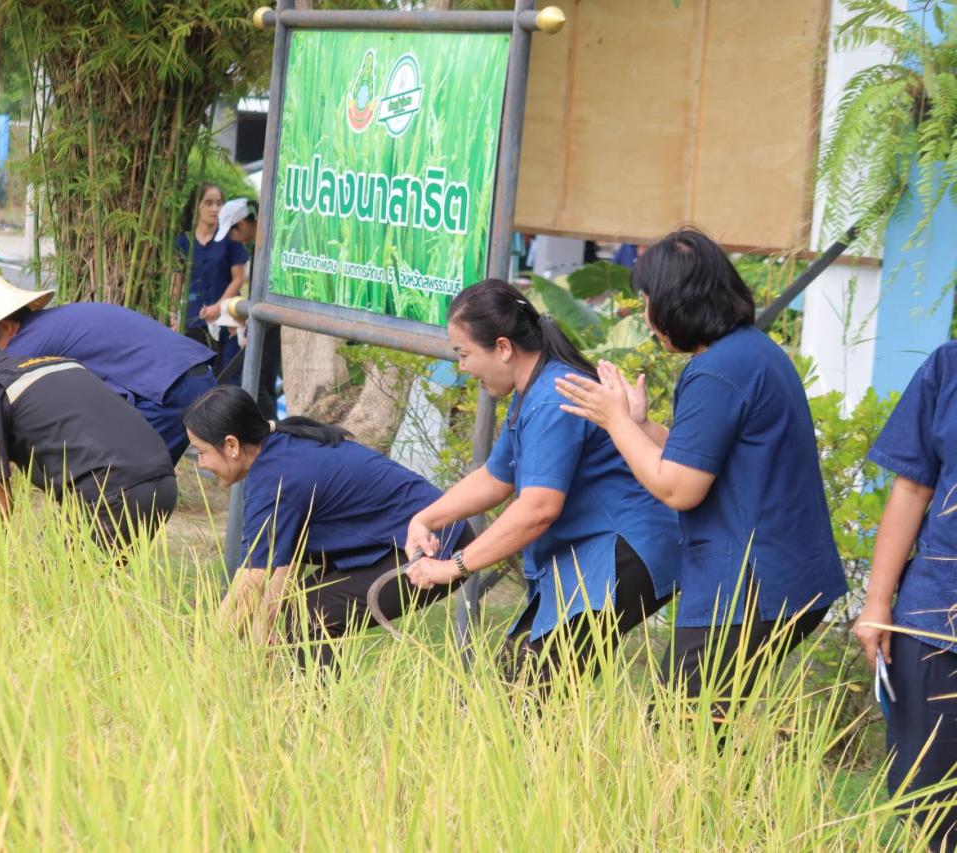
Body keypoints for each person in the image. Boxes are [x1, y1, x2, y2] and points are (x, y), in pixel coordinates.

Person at [556, 229, 847, 698]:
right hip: (785, 580)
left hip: (747, 587)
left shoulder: (716, 370)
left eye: (647, 299)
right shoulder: (750, 352)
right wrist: (641, 425)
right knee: (705, 734)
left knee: (677, 742)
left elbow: (678, 488)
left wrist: (615, 423)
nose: (645, 316)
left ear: (674, 301)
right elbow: (704, 460)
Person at [402, 279, 681, 688]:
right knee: (517, 689)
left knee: (524, 695)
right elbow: (496, 478)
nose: (462, 367)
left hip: (623, 553)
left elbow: (538, 509)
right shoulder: (533, 391)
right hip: (600, 553)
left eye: (463, 354)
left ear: (502, 347)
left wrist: (454, 566)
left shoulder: (552, 397)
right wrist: (425, 519)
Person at [183, 385, 474, 667]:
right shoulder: (281, 449)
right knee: (301, 610)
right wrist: (261, 642)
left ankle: (316, 712)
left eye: (201, 452)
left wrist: (203, 664)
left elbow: (250, 583)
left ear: (231, 445)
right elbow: (279, 566)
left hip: (433, 545)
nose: (200, 463)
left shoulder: (273, 481)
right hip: (414, 536)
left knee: (309, 615)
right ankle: (305, 709)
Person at [0, 328, 177, 549]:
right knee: (91, 588)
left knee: (46, 588)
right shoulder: (54, 364)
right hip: (163, 483)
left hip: (111, 495)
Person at [853, 341, 957, 850]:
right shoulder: (949, 366)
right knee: (925, 802)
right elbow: (912, 488)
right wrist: (877, 603)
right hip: (936, 617)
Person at [0, 273, 215, 463]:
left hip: (170, 388)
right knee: (122, 485)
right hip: (182, 376)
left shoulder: (23, 347)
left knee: (125, 481)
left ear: (6, 326)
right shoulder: (45, 327)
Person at [171, 183, 248, 380]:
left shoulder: (230, 238)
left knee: (226, 377)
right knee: (194, 375)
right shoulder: (183, 241)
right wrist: (172, 314)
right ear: (197, 206)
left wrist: (218, 306)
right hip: (193, 319)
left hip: (225, 317)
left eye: (219, 204)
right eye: (209, 203)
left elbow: (239, 278)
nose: (215, 209)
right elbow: (177, 281)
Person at [218, 199, 283, 418]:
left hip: (269, 325)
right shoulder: (259, 248)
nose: (231, 238)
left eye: (232, 232)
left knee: (257, 385)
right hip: (266, 323)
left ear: (243, 225)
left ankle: (274, 433)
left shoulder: (265, 248)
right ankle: (273, 434)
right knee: (264, 384)